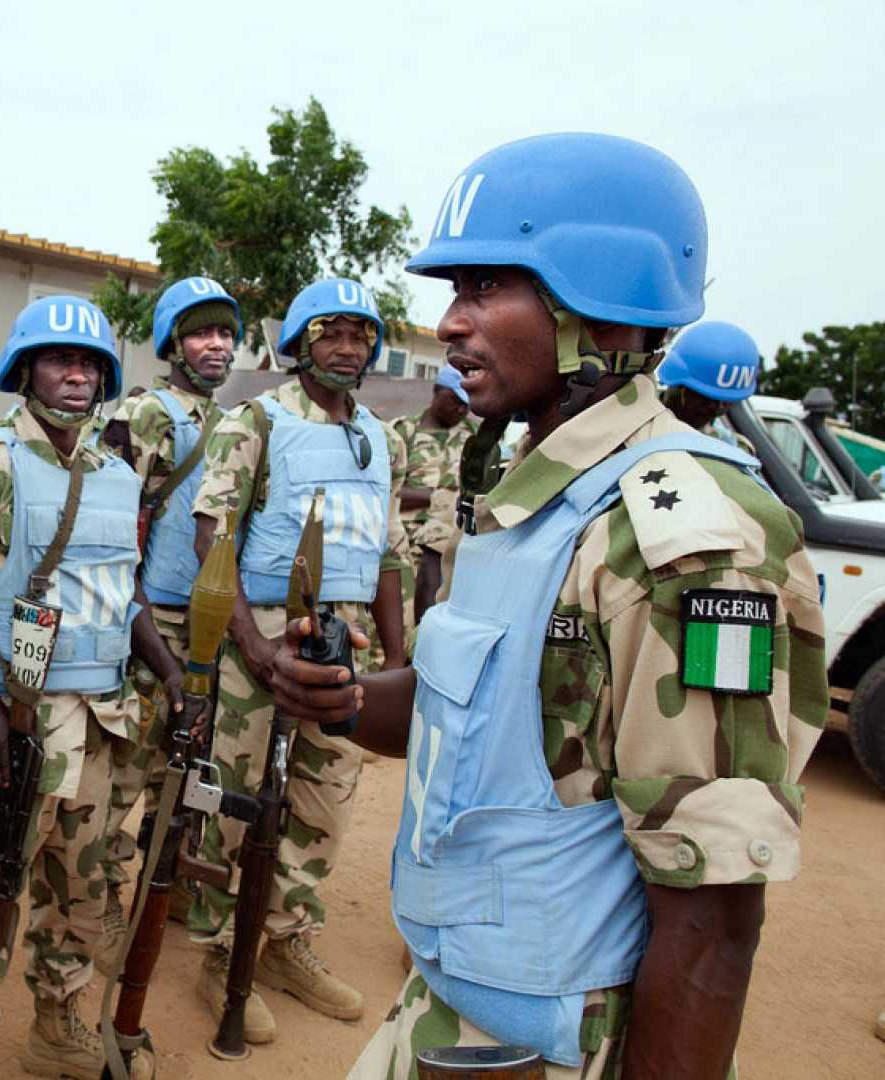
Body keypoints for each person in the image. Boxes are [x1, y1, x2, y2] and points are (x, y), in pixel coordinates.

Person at [342, 133, 828, 1079]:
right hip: (461, 1003)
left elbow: (711, 912)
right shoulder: (541, 496)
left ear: (596, 308)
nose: (447, 322)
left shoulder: (683, 541)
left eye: (484, 287)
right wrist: (343, 698)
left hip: (562, 1041)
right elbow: (484, 719)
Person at [0, 295, 159, 1079]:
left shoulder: (117, 474)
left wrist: (171, 671)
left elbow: (121, 591)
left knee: (82, 890)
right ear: (25, 371)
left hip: (102, 721)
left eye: (88, 364)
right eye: (58, 360)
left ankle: (56, 1022)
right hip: (13, 722)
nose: (76, 375)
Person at [187, 277, 409, 1040]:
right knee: (240, 797)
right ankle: (223, 951)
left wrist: (394, 662)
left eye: (359, 336)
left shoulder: (381, 437)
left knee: (325, 799)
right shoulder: (254, 422)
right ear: (300, 344)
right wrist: (250, 648)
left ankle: (284, 939)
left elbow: (386, 552)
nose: (346, 348)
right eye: (330, 334)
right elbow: (211, 537)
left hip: (346, 642)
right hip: (265, 633)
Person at [96, 275, 241, 972]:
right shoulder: (145, 415)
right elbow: (114, 528)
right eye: (201, 332)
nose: (217, 345)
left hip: (212, 624)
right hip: (151, 622)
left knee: (185, 768)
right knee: (126, 765)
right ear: (173, 343)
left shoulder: (234, 424)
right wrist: (139, 632)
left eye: (226, 333)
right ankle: (95, 895)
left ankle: (167, 885)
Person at [390, 365, 480, 623]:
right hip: (405, 544)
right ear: (437, 391)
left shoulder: (474, 436)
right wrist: (438, 498)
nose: (461, 410)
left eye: (466, 405)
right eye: (455, 401)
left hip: (455, 544)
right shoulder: (402, 432)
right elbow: (386, 491)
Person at [656, 319, 760, 454]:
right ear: (678, 386)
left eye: (727, 402)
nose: (718, 408)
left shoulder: (732, 449)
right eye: (708, 399)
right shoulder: (634, 427)